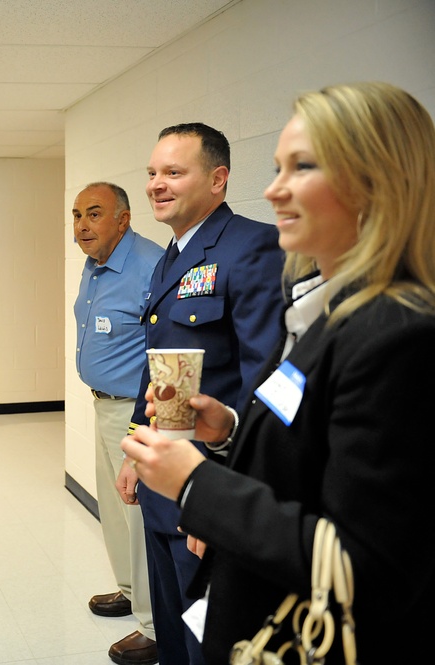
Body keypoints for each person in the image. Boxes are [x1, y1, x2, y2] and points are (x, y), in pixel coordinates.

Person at [123, 81, 435, 665]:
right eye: (277, 168)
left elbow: (370, 567)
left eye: (303, 167)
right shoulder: (324, 309)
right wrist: (230, 429)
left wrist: (201, 487)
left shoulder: (399, 335)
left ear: (379, 181)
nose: (272, 190)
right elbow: (311, 436)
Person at [117, 123, 285, 665]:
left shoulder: (250, 247)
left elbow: (265, 380)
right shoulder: (172, 256)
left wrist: (222, 500)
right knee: (171, 628)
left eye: (173, 172)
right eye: (151, 173)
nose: (156, 185)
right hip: (160, 479)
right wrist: (134, 445)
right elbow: (160, 363)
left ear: (218, 179)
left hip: (206, 484)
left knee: (207, 639)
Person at [72, 182, 163, 665]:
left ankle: (154, 626)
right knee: (114, 509)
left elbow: (163, 352)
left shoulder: (151, 266)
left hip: (135, 411)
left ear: (123, 220)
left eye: (93, 214)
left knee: (140, 515)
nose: (82, 226)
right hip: (102, 404)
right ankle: (131, 592)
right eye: (76, 216)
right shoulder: (94, 267)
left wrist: (140, 429)